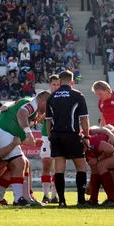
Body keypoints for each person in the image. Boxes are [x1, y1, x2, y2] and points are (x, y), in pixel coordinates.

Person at [0, 91, 51, 206]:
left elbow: (15, 109)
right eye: (49, 105)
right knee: (19, 163)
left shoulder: (31, 103)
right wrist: (29, 134)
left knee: (25, 164)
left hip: (3, 132)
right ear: (43, 101)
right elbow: (21, 113)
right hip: (3, 132)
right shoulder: (33, 103)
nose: (49, 109)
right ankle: (19, 199)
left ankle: (24, 197)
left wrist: (31, 141)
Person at [46, 70, 90, 207]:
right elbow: (84, 119)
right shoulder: (77, 95)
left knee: (59, 169)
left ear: (59, 81)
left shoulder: (52, 97)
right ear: (72, 81)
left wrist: (50, 137)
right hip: (71, 134)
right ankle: (81, 201)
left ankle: (62, 202)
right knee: (81, 166)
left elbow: (48, 121)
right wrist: (87, 136)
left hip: (56, 135)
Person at [39, 75, 60, 203]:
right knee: (46, 165)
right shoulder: (45, 99)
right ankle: (46, 195)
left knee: (58, 168)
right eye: (54, 85)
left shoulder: (64, 99)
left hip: (59, 135)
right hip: (46, 136)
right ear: (50, 85)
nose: (56, 87)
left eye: (58, 85)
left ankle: (54, 196)